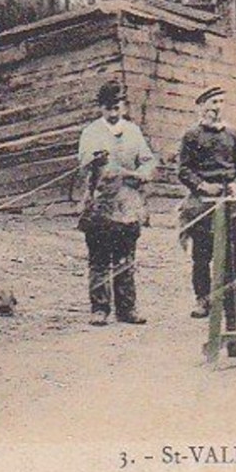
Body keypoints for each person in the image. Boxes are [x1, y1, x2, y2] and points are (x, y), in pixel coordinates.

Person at [76, 79, 158, 326]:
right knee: (100, 259)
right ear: (100, 108)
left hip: (128, 204)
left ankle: (127, 309)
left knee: (125, 259)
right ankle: (100, 308)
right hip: (101, 205)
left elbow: (147, 160)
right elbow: (83, 165)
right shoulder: (91, 133)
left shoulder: (133, 131)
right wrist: (94, 161)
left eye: (118, 107)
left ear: (123, 107)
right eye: (109, 107)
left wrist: (144, 171)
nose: (114, 112)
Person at [177, 85, 236, 320]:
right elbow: (184, 170)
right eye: (212, 103)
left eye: (220, 102)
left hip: (228, 199)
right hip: (203, 200)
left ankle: (233, 300)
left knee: (232, 252)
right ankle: (203, 300)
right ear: (202, 106)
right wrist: (202, 186)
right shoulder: (192, 135)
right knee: (202, 253)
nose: (216, 108)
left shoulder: (232, 134)